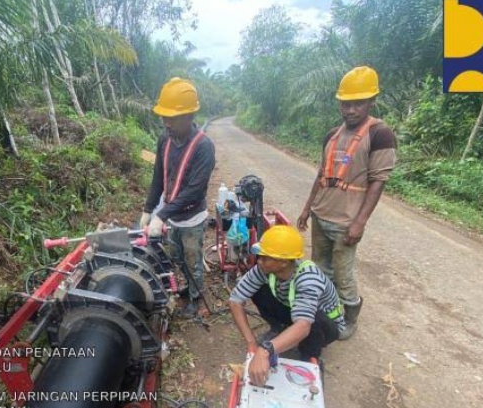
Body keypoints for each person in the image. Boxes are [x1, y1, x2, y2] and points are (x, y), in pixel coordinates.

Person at [297, 66, 397, 340]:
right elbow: (321, 175)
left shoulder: (380, 134)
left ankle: (351, 315)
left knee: (343, 274)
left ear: (372, 102)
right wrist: (307, 209)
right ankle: (327, 310)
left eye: (359, 103)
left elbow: (378, 181)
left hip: (346, 222)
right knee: (320, 268)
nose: (351, 110)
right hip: (322, 214)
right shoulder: (331, 134)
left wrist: (360, 222)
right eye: (346, 104)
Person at [228, 225, 345, 387]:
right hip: (296, 313)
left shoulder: (308, 278)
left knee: (313, 320)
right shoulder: (264, 269)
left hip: (325, 325)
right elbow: (235, 300)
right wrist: (251, 342)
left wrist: (264, 351)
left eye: (264, 257)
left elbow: (304, 326)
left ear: (283, 262)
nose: (259, 260)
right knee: (257, 291)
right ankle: (281, 330)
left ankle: (309, 355)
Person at [139, 77, 216, 318]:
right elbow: (158, 177)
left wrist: (161, 215)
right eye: (164, 117)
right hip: (172, 215)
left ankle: (196, 299)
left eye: (171, 118)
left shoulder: (204, 147)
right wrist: (148, 209)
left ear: (189, 116)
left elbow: (194, 189)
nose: (166, 123)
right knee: (177, 257)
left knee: (193, 260)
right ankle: (188, 288)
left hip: (192, 217)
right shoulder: (165, 139)